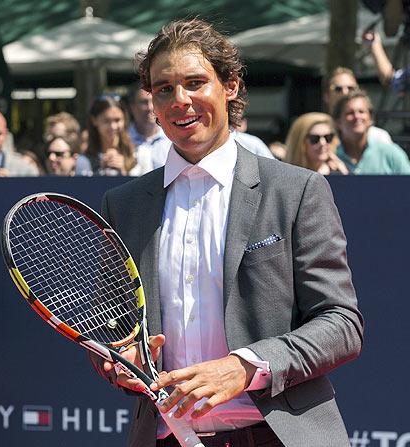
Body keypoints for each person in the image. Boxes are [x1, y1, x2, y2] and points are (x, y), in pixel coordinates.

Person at [92, 18, 363, 447]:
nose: (180, 100)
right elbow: (117, 333)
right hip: (167, 438)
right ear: (152, 102)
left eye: (196, 82)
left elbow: (342, 324)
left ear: (230, 85)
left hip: (278, 437)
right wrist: (119, 360)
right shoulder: (122, 206)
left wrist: (244, 367)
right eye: (164, 89)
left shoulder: (296, 190)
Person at [334, 90, 410, 174]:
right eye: (350, 113)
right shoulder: (333, 157)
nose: (357, 116)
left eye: (361, 112)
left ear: (371, 119)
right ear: (338, 122)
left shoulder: (392, 154)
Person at [322, 67, 394, 144]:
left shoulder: (379, 138)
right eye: (338, 89)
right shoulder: (318, 138)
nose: (345, 93)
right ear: (326, 96)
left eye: (351, 88)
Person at [86, 95, 151, 176]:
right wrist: (99, 171)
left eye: (117, 120)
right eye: (106, 121)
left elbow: (148, 186)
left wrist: (124, 172)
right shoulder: (85, 161)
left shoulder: (141, 153)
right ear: (94, 121)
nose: (113, 126)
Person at [127, 84, 173, 170]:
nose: (150, 107)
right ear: (132, 107)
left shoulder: (172, 139)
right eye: (144, 102)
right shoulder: (124, 139)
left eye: (153, 101)